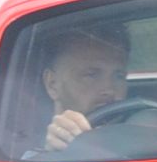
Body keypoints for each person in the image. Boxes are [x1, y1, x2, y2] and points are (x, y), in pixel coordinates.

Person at [37, 24, 130, 152]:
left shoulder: (138, 131)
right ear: (52, 84)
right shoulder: (24, 161)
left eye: (119, 76)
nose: (109, 90)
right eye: (91, 75)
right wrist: (55, 153)